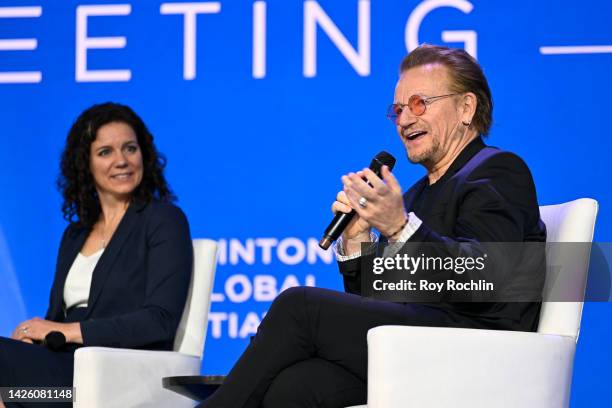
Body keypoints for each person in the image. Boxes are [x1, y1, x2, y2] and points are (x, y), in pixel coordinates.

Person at [199, 44, 546, 408]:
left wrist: (399, 228)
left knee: (299, 306)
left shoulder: (497, 170)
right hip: (420, 348)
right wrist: (358, 241)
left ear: (466, 108)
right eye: (397, 110)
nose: (405, 120)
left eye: (418, 104)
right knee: (297, 386)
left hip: (480, 353)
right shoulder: (413, 196)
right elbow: (380, 301)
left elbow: (485, 279)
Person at [0, 102, 193, 408]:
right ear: (85, 164)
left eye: (130, 148)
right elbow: (55, 319)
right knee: (7, 395)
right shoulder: (75, 234)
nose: (122, 161)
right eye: (106, 152)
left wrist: (67, 331)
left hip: (105, 382)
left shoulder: (164, 220)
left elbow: (159, 322)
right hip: (59, 381)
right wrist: (33, 339)